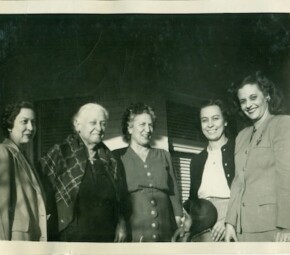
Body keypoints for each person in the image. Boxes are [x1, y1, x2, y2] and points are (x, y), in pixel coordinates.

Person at [40, 103, 126, 242]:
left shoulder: (110, 159)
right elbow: (40, 191)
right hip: (71, 237)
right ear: (77, 125)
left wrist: (121, 223)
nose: (99, 128)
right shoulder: (60, 153)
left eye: (103, 123)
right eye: (93, 123)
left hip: (106, 235)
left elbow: (119, 200)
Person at [225, 71, 290, 242]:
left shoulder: (282, 124)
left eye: (253, 97)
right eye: (243, 101)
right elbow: (238, 181)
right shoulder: (241, 136)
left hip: (272, 227)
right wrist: (230, 222)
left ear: (267, 96)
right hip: (242, 229)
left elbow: (286, 176)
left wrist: (286, 225)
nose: (249, 105)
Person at [114, 103, 183, 242]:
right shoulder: (117, 157)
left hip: (165, 228)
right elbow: (114, 197)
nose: (148, 129)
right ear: (129, 128)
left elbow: (174, 192)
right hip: (134, 229)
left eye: (150, 125)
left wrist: (178, 222)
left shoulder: (164, 155)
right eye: (142, 124)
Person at [188, 99, 235, 242]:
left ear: (225, 121)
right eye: (204, 120)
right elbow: (193, 200)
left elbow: (248, 193)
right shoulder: (196, 161)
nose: (210, 125)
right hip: (201, 227)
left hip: (231, 220)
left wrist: (228, 219)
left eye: (215, 118)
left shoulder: (238, 151)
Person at [0, 101, 47, 241]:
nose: (31, 128)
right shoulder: (3, 152)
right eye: (24, 122)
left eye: (33, 122)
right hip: (16, 242)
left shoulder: (22, 156)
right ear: (10, 125)